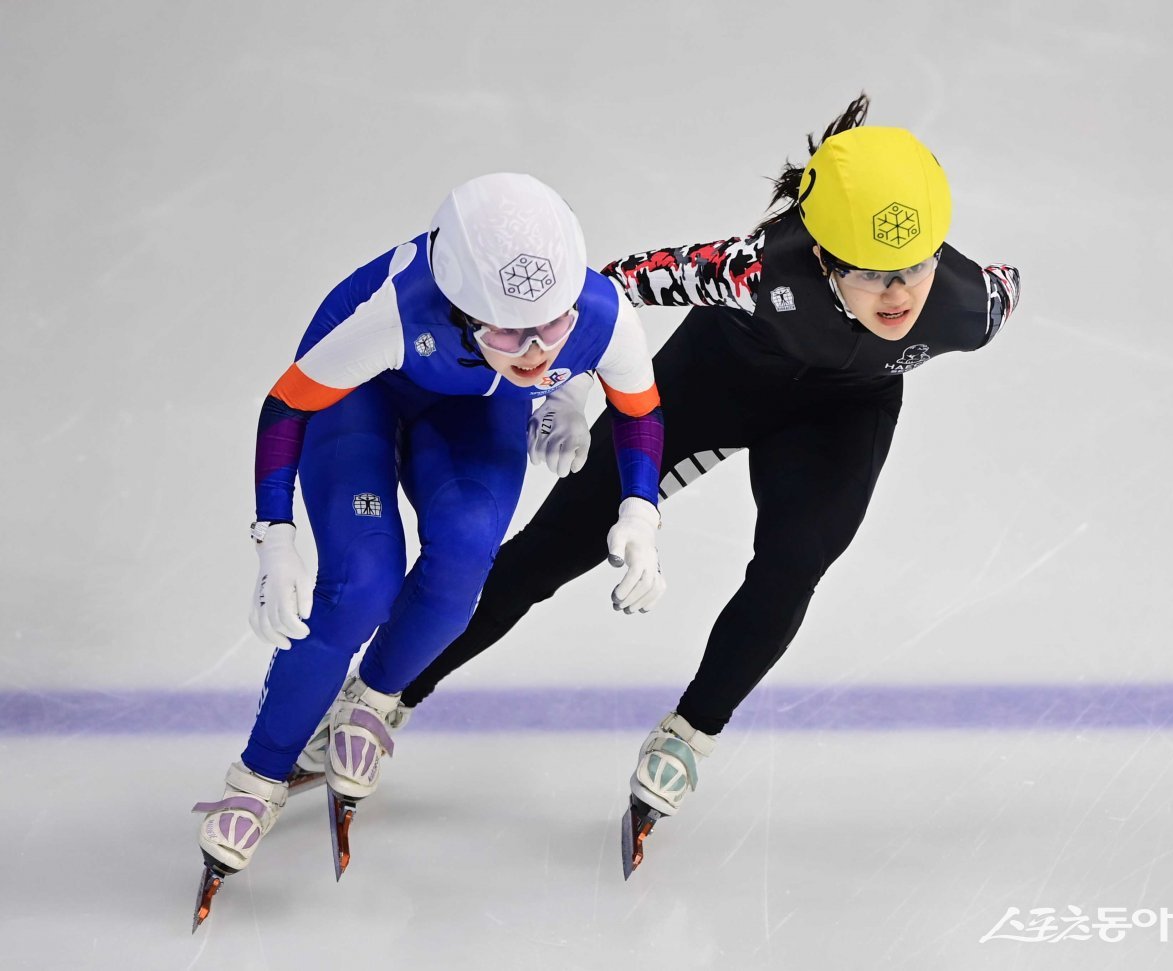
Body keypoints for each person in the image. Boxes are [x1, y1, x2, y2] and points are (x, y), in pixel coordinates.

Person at [373, 94, 1022, 866]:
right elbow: (608, 288)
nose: (901, 294)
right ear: (821, 256)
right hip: (716, 380)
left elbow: (1007, 281)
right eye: (872, 273)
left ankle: (690, 733)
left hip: (838, 418)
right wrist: (570, 384)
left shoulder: (969, 305)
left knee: (792, 565)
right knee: (549, 550)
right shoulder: (753, 270)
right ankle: (386, 695)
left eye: (915, 266)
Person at [190, 172, 667, 912]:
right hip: (361, 396)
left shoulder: (598, 312)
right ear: (460, 307)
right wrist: (274, 538)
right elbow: (286, 405)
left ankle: (372, 701)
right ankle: (258, 775)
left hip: (474, 404)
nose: (535, 353)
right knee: (360, 585)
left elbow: (641, 410)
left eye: (552, 328)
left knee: (466, 556)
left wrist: (640, 511)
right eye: (509, 333)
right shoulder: (396, 312)